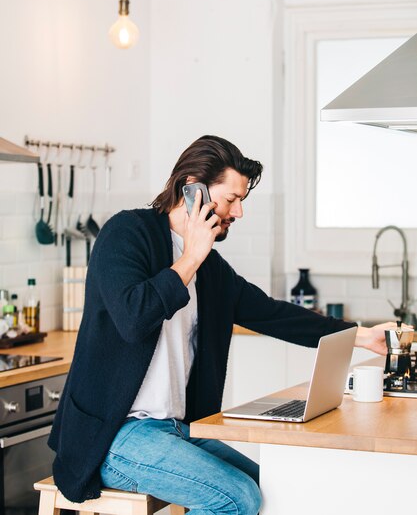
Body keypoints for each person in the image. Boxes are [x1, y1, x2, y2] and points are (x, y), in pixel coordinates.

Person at [49, 135, 396, 514]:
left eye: (241, 201)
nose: (239, 212)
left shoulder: (211, 270)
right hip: (113, 435)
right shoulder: (126, 234)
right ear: (192, 189)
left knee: (280, 489)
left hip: (175, 431)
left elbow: (273, 313)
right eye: (232, 199)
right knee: (237, 498)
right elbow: (134, 318)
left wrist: (362, 335)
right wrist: (191, 257)